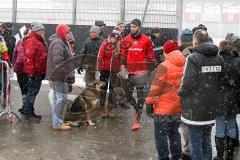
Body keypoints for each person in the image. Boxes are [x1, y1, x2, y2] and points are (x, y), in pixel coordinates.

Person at [178, 29, 224, 160]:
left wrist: (180, 93)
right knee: (206, 140)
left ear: (195, 41)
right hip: (211, 107)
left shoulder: (193, 58)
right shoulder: (219, 58)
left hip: (195, 108)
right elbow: (221, 82)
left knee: (195, 143)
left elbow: (187, 82)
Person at [145, 40, 185, 160]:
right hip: (178, 107)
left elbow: (156, 88)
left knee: (161, 136)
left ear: (166, 51)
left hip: (163, 108)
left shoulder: (164, 66)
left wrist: (149, 103)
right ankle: (177, 156)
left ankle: (163, 157)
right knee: (174, 133)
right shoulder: (186, 63)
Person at [120, 19, 155, 130]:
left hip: (141, 73)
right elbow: (123, 55)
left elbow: (150, 56)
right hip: (129, 72)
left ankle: (137, 120)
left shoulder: (146, 40)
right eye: (131, 26)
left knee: (140, 97)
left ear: (139, 27)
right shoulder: (126, 39)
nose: (132, 28)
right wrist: (122, 67)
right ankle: (137, 109)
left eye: (134, 26)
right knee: (128, 96)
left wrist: (150, 69)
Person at [214, 40, 240, 160]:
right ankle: (229, 153)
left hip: (219, 98)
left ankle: (219, 155)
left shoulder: (217, 60)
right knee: (231, 124)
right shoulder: (237, 61)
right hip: (233, 98)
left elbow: (213, 81)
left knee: (219, 125)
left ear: (221, 48)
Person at [46, 24, 75, 130]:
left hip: (58, 76)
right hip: (59, 76)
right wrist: (66, 75)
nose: (68, 34)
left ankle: (57, 121)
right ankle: (57, 123)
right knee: (61, 99)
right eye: (67, 32)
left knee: (57, 99)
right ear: (62, 32)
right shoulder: (58, 43)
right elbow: (58, 62)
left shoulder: (60, 42)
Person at [22, 22, 47, 123]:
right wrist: (31, 72)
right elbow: (28, 57)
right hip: (34, 73)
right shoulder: (32, 40)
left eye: (43, 30)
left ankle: (31, 112)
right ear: (36, 31)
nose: (43, 32)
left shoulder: (38, 40)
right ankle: (28, 114)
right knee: (31, 93)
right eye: (41, 30)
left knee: (33, 93)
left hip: (38, 72)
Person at [97, 32, 122, 118]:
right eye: (113, 38)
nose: (114, 40)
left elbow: (120, 59)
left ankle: (110, 109)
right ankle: (101, 108)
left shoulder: (118, 47)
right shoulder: (104, 45)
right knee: (103, 89)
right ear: (110, 37)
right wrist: (101, 68)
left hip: (114, 72)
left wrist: (118, 69)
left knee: (112, 90)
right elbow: (100, 57)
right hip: (105, 71)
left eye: (116, 39)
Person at [179, 28, 193, 160]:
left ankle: (187, 151)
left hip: (184, 93)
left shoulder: (180, 52)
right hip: (198, 95)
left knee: (185, 125)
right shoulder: (197, 51)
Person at [12, 28, 31, 114]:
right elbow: (15, 54)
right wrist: (14, 64)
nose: (29, 35)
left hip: (29, 70)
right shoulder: (20, 42)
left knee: (28, 89)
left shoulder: (33, 43)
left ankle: (27, 107)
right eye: (28, 34)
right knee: (23, 89)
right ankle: (25, 105)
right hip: (20, 69)